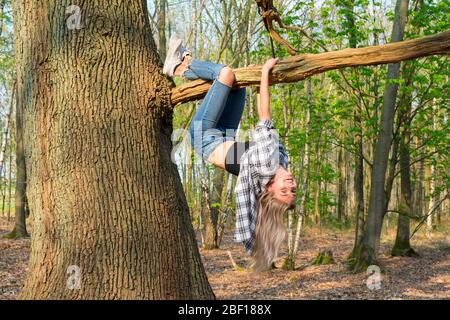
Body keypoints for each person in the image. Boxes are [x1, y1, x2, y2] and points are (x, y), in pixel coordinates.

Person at [163, 35, 297, 271]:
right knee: (239, 88)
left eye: (283, 190)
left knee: (226, 74)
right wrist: (258, 84)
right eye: (292, 190)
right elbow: (262, 125)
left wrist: (265, 72)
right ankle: (184, 64)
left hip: (204, 137)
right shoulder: (281, 162)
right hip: (225, 134)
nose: (290, 184)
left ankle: (181, 65)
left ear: (269, 187)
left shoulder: (268, 164)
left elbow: (264, 115)